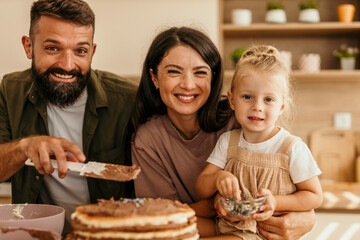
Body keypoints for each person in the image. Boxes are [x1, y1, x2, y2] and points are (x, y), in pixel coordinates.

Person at [131, 27, 317, 239]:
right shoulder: (149, 139)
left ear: (213, 77)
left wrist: (306, 217)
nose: (188, 84)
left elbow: (304, 194)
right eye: (174, 71)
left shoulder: (242, 120)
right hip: (213, 226)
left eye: (200, 72)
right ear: (154, 77)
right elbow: (163, 218)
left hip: (251, 229)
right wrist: (215, 200)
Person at [0, 0, 137, 234]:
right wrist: (24, 147)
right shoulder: (10, 89)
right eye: (53, 48)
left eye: (80, 51)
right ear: (29, 46)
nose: (67, 65)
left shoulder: (128, 100)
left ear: (92, 52)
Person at [196, 45, 323, 239]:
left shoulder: (292, 148)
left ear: (281, 106)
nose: (257, 107)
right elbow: (202, 187)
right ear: (232, 100)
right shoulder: (228, 141)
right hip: (227, 225)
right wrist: (218, 178)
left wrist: (276, 202)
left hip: (259, 233)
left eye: (268, 100)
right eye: (247, 97)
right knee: (176, 228)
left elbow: (314, 196)